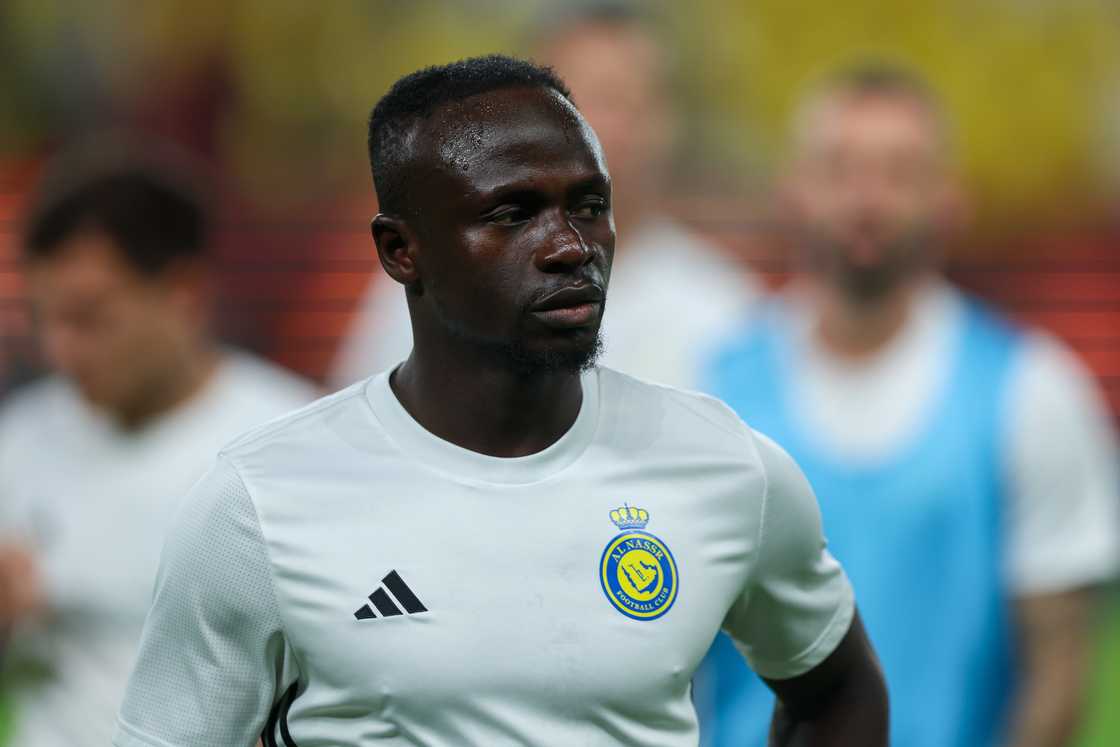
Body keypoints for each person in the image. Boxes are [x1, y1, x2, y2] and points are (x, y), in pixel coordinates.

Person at [113, 55, 888, 747]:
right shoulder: (259, 505)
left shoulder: (725, 465)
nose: (569, 246)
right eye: (512, 213)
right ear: (400, 250)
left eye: (588, 205)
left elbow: (840, 691)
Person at [695, 64, 1120, 747]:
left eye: (899, 172)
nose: (868, 198)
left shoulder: (1032, 392)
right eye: (842, 169)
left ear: (949, 198)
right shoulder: (707, 392)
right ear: (794, 191)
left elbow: (1059, 669)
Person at [0, 149, 317, 747]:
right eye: (46, 319)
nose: (61, 350)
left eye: (90, 318)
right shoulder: (22, 439)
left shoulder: (294, 447)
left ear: (182, 294)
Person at [329, 2, 757, 391]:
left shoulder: (722, 312)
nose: (620, 127)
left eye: (639, 101)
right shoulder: (438, 275)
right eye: (597, 98)